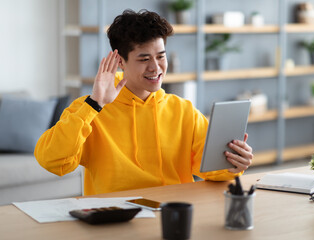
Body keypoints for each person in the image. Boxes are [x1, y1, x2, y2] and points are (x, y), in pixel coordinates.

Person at [35, 9, 253, 196]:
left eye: (160, 56)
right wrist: (95, 104)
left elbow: (211, 170)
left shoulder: (183, 110)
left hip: (171, 215)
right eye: (144, 58)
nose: (156, 68)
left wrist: (234, 164)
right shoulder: (90, 108)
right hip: (115, 220)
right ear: (120, 61)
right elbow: (52, 161)